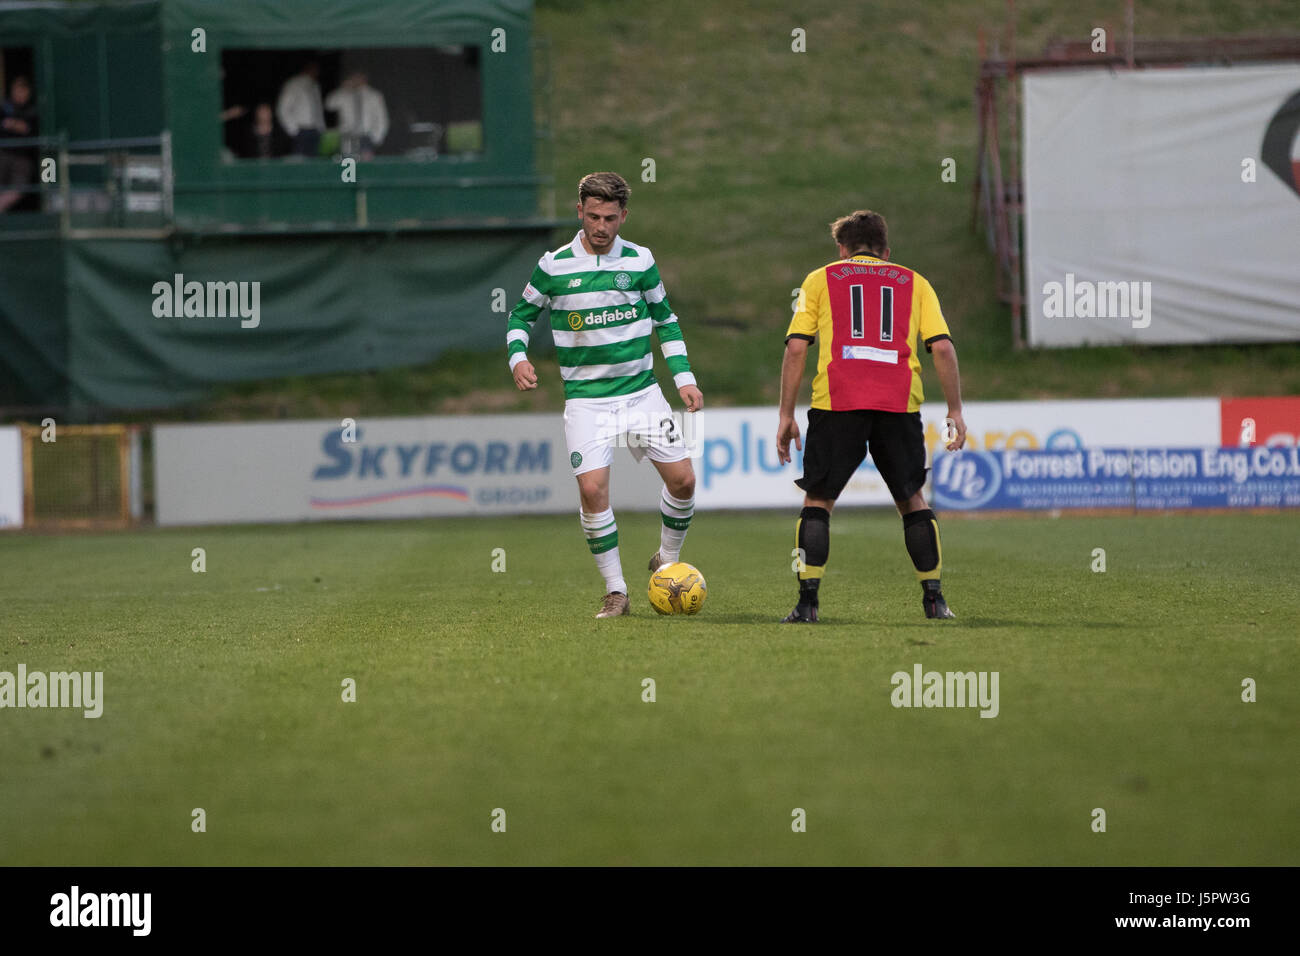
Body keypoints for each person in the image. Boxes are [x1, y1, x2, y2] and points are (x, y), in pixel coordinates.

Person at [507, 171, 703, 619]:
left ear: (624, 216)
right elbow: (518, 318)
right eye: (592, 216)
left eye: (610, 218)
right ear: (579, 212)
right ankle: (616, 591)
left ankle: (666, 563)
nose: (601, 227)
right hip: (587, 401)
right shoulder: (554, 265)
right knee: (593, 491)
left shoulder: (639, 260)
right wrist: (517, 357)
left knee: (685, 481)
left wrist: (684, 378)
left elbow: (665, 320)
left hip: (641, 393)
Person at [776, 210, 967, 623]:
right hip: (897, 404)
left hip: (837, 402)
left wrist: (786, 415)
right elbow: (944, 349)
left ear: (842, 249)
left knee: (819, 501)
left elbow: (795, 349)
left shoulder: (820, 278)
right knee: (912, 500)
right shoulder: (915, 282)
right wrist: (954, 410)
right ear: (886, 250)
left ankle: (807, 605)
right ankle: (935, 601)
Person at [324, 71, 389, 159]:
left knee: (365, 166)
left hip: (366, 136)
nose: (356, 80)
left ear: (364, 78)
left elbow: (382, 118)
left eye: (358, 77)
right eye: (354, 77)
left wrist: (377, 137)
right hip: (346, 135)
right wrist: (343, 88)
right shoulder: (344, 94)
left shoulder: (374, 96)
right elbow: (329, 104)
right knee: (347, 163)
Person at [0, 76, 39, 213]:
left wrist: (13, 124)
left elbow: (28, 128)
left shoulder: (33, 109)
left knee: (20, 189)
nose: (20, 94)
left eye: (23, 90)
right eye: (17, 90)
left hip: (25, 158)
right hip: (4, 154)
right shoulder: (5, 106)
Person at [276, 61, 325, 157]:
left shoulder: (315, 85)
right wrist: (293, 129)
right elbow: (282, 108)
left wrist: (322, 128)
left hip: (316, 130)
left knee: (314, 161)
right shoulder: (294, 84)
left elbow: (318, 109)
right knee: (300, 161)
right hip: (301, 130)